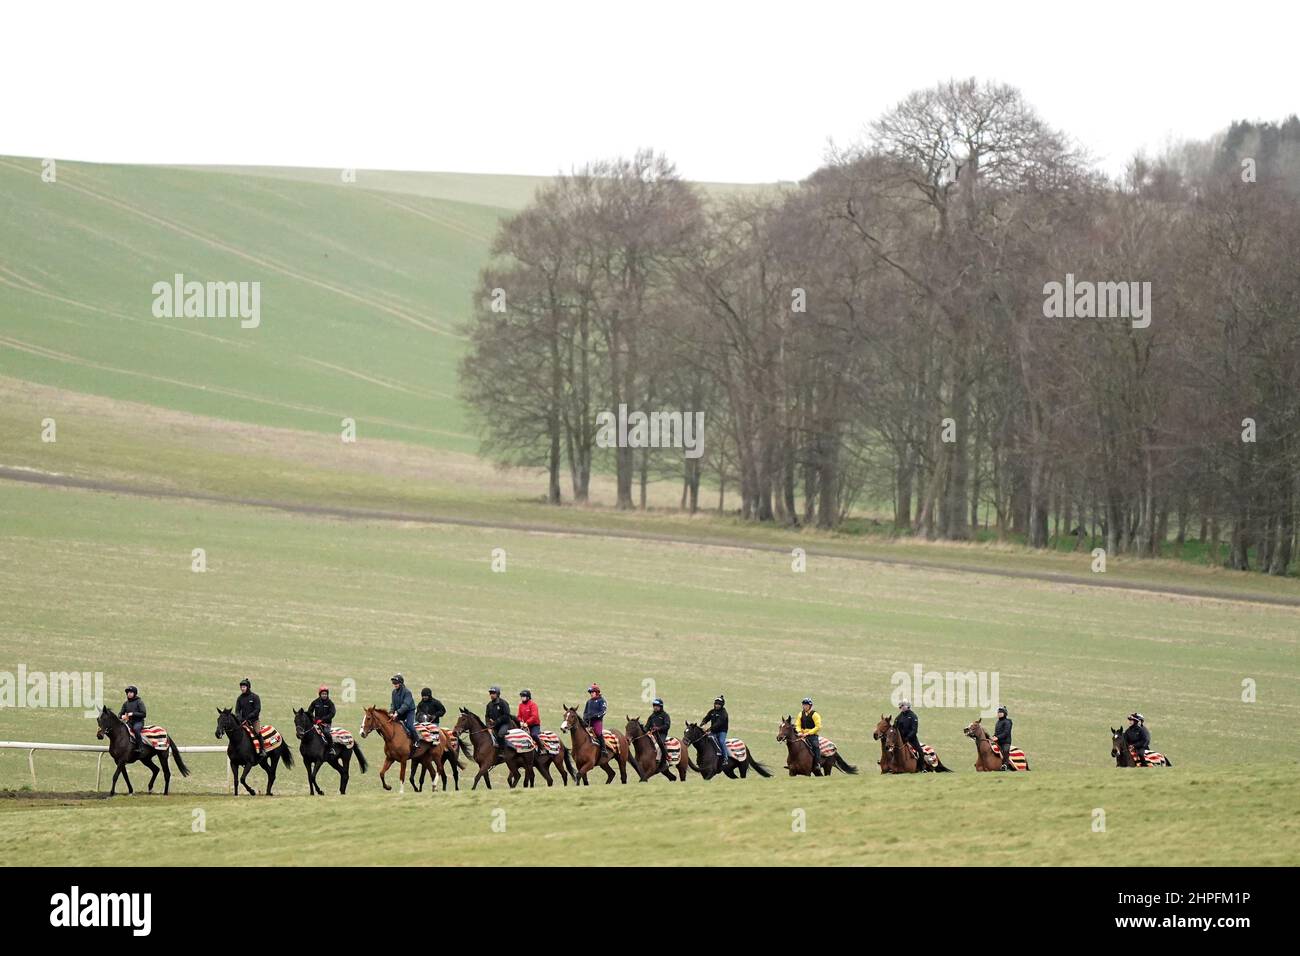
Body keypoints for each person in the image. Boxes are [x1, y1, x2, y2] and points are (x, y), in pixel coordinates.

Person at [235, 678, 267, 756]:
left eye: (244, 687)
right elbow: (237, 710)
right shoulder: (239, 698)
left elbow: (257, 709)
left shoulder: (255, 697)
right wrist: (239, 718)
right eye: (241, 687)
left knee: (257, 732)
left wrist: (249, 717)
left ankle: (263, 750)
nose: (242, 688)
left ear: (248, 687)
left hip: (254, 721)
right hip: (243, 721)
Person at [308, 685, 336, 758]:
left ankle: (331, 748)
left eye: (325, 694)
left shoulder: (330, 703)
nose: (324, 695)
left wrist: (323, 720)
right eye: (323, 694)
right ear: (320, 694)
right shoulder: (315, 702)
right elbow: (309, 711)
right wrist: (314, 719)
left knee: (326, 733)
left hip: (326, 724)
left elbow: (332, 713)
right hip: (316, 723)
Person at [701, 695, 729, 770]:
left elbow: (719, 723)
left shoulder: (724, 713)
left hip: (722, 731)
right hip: (713, 730)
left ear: (722, 705)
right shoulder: (712, 711)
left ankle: (725, 758)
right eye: (716, 704)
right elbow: (707, 718)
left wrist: (709, 729)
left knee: (721, 741)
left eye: (719, 704)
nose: (717, 705)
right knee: (707, 740)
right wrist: (703, 723)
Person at [895, 699, 924, 770]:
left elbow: (914, 730)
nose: (901, 708)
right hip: (901, 739)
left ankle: (922, 768)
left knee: (920, 751)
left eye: (902, 706)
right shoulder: (898, 717)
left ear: (907, 706)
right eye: (900, 706)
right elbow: (895, 728)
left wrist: (907, 738)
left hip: (912, 739)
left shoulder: (913, 716)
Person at [119, 685, 147, 756]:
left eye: (131, 692)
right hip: (129, 722)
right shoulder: (125, 703)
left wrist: (133, 714)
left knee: (136, 729)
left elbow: (143, 714)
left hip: (138, 722)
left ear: (134, 693)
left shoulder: (139, 702)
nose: (129, 694)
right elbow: (120, 714)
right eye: (128, 692)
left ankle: (141, 747)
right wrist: (122, 716)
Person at [645, 697, 671, 772]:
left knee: (660, 744)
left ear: (661, 706)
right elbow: (647, 726)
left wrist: (658, 728)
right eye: (654, 706)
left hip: (662, 734)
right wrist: (644, 730)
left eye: (657, 706)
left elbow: (667, 725)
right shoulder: (652, 716)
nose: (655, 707)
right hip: (653, 734)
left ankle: (663, 760)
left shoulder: (665, 715)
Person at [389, 674, 416, 746]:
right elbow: (393, 704)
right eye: (394, 683)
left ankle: (416, 740)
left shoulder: (407, 692)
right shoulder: (394, 692)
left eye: (396, 683)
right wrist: (391, 712)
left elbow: (406, 705)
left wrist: (397, 713)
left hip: (409, 712)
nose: (395, 685)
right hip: (399, 712)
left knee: (409, 726)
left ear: (401, 683)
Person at [583, 684, 608, 759]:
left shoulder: (602, 701)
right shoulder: (589, 702)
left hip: (597, 722)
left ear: (597, 692)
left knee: (598, 733)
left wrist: (595, 716)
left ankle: (604, 749)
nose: (591, 694)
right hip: (588, 722)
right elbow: (585, 712)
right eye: (590, 692)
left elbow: (603, 711)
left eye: (592, 692)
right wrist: (585, 718)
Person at [796, 697, 822, 767]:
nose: (804, 706)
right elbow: (797, 724)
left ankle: (817, 763)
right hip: (802, 734)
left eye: (806, 705)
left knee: (815, 746)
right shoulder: (800, 714)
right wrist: (799, 731)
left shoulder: (815, 714)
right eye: (803, 705)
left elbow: (818, 727)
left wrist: (808, 733)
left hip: (812, 735)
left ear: (810, 706)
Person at [993, 705, 1014, 770]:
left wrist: (997, 737)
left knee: (1005, 751)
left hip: (1005, 742)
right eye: (998, 712)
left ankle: (1005, 765)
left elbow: (1006, 732)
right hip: (998, 741)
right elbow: (997, 732)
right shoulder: (998, 722)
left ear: (1004, 713)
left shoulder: (1008, 721)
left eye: (1001, 712)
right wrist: (994, 736)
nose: (999, 714)